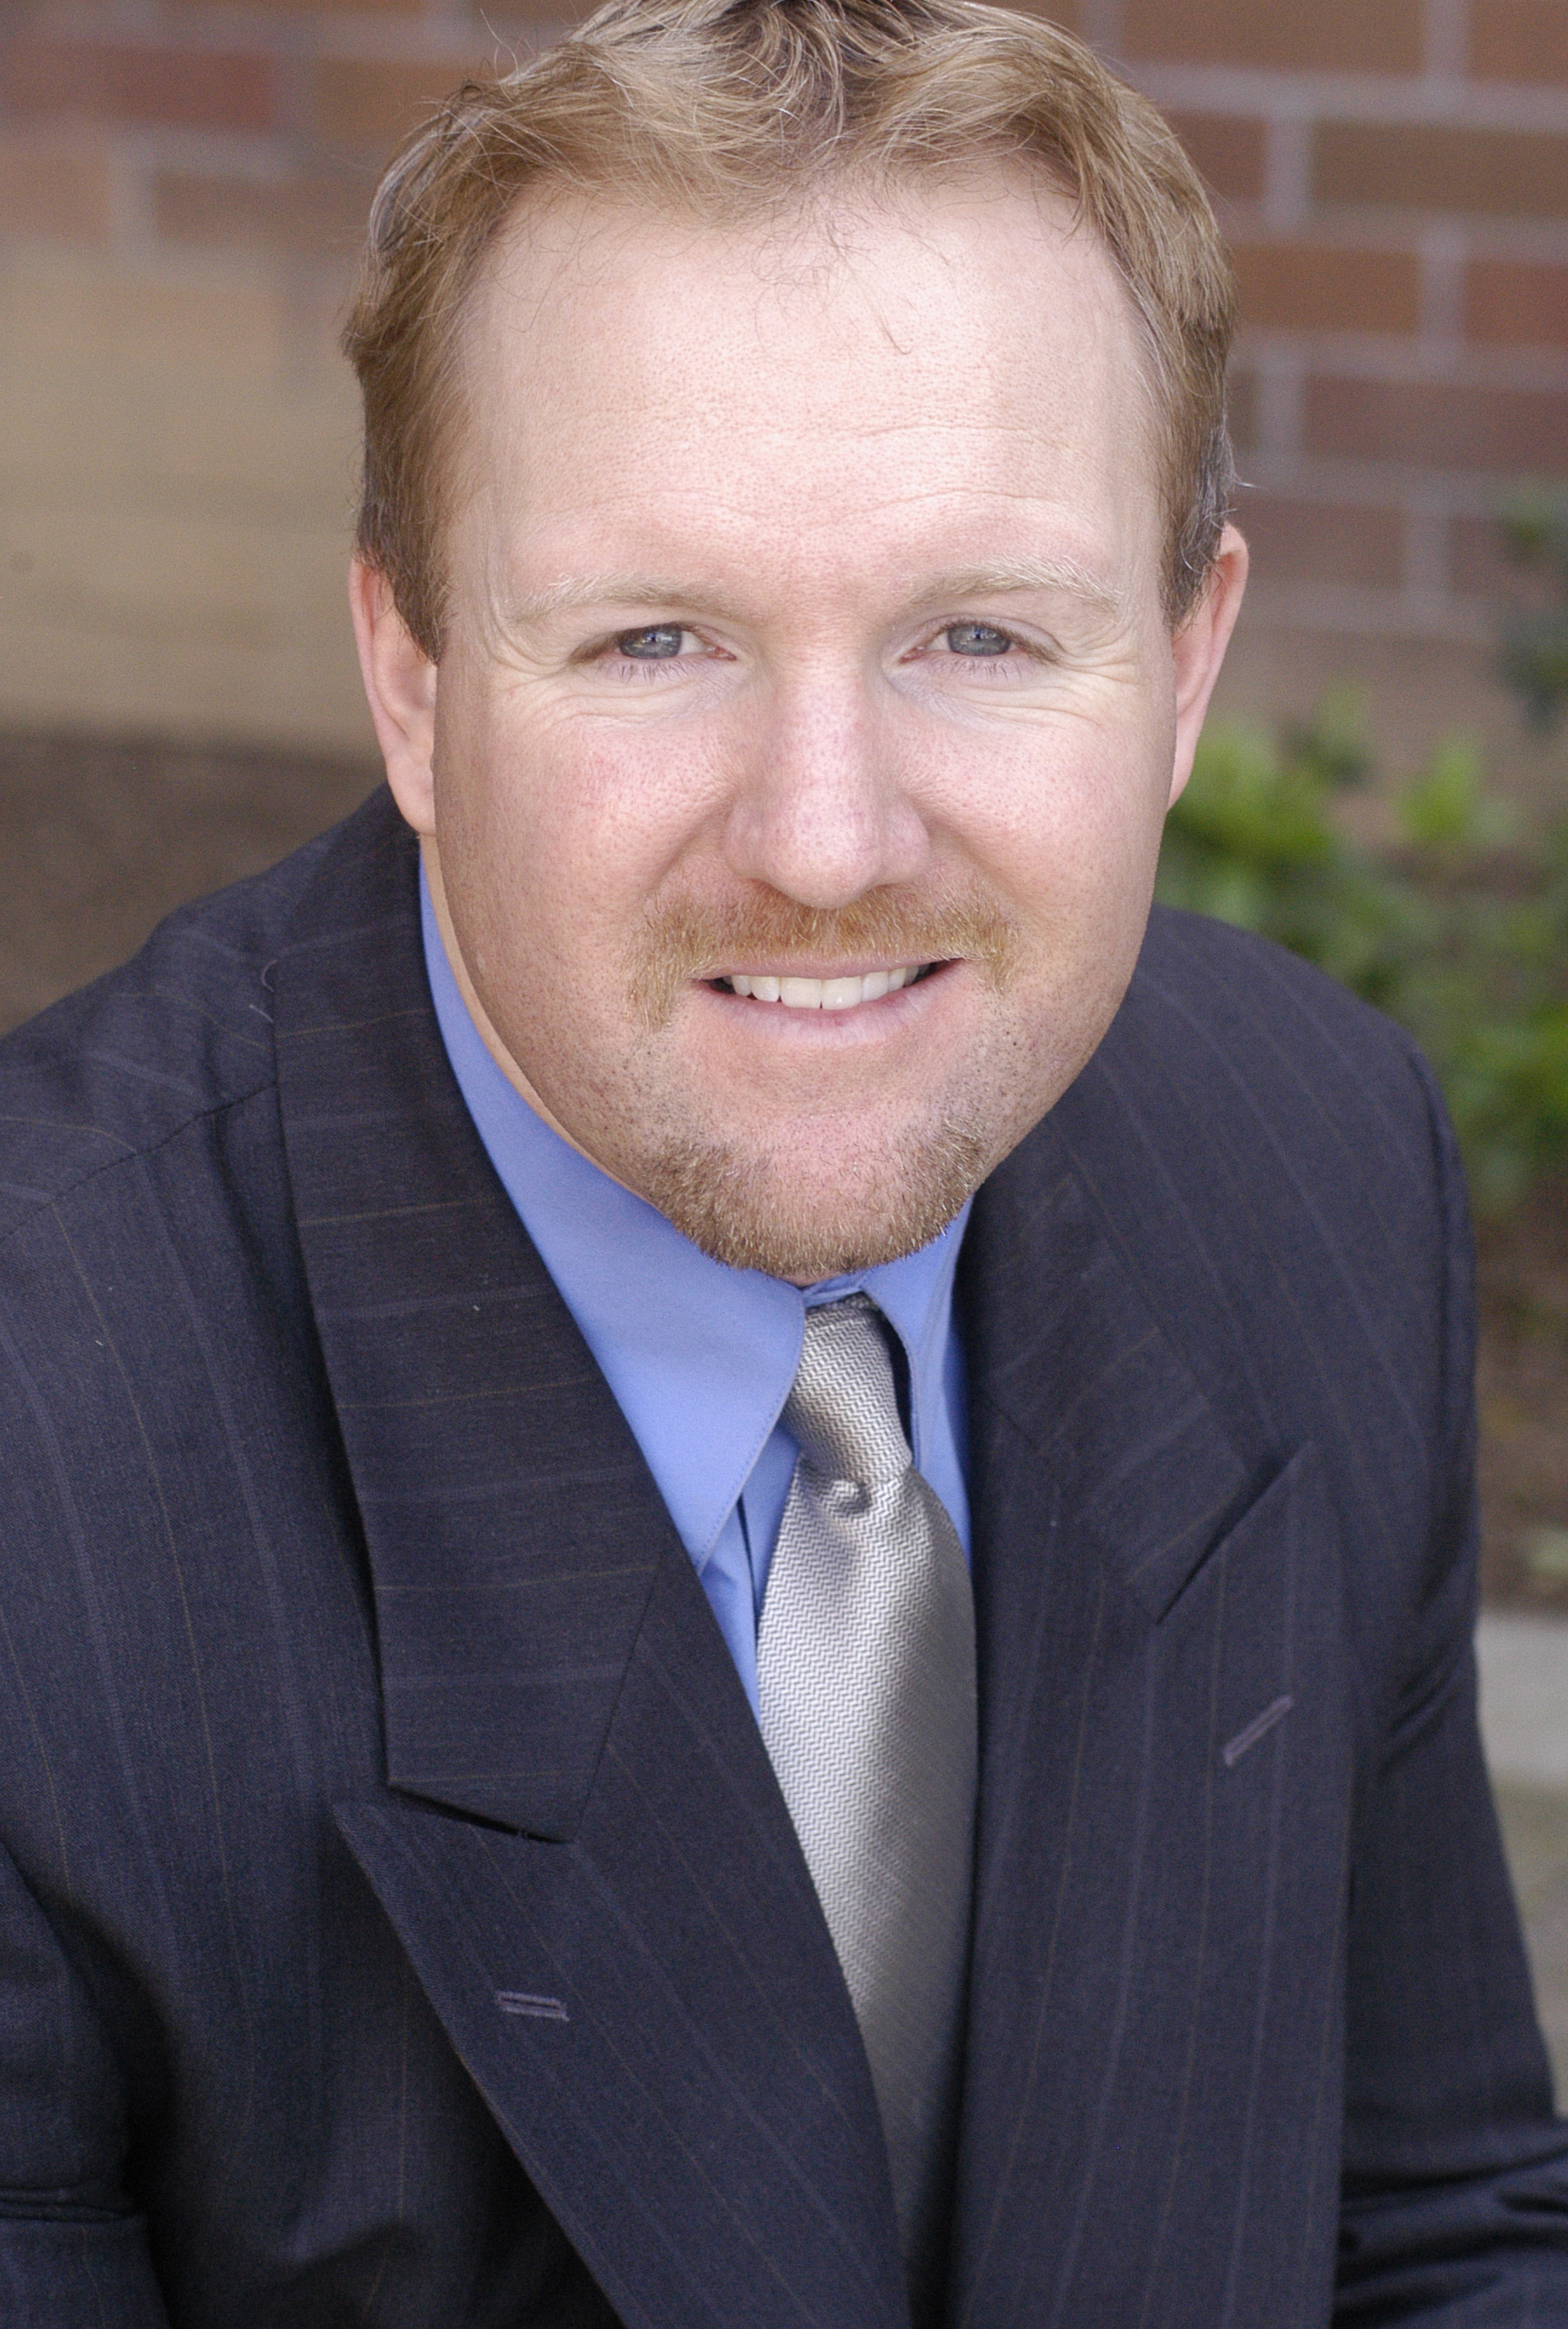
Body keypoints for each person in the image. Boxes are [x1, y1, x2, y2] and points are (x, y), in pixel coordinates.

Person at [1, 0, 1565, 2320]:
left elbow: (1433, 2228)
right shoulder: (43, 1446)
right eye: (656, 639)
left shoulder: (1308, 1159)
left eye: (978, 633)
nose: (826, 842)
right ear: (413, 680)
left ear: (1185, 666)